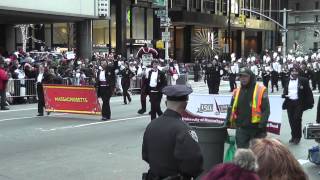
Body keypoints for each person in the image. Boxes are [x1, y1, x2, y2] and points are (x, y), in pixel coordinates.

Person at [142, 85, 203, 180]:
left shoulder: (152, 125)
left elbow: (145, 155)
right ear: (185, 105)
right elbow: (193, 164)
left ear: (166, 103)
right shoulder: (183, 129)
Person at [226, 68, 270, 148]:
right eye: (241, 76)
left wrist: (262, 125)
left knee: (257, 154)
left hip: (257, 129)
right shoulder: (236, 91)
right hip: (241, 128)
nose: (243, 79)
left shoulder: (261, 90)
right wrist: (227, 121)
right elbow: (231, 107)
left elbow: (266, 110)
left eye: (245, 76)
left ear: (251, 77)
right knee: (242, 154)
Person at [282, 66, 314, 144]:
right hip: (289, 102)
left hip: (299, 103)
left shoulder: (304, 80)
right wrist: (284, 95)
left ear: (298, 72)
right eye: (293, 71)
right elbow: (285, 91)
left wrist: (310, 102)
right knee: (291, 120)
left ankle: (297, 137)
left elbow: (308, 92)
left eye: (296, 71)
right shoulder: (286, 80)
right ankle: (293, 136)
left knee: (297, 119)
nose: (294, 73)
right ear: (290, 72)